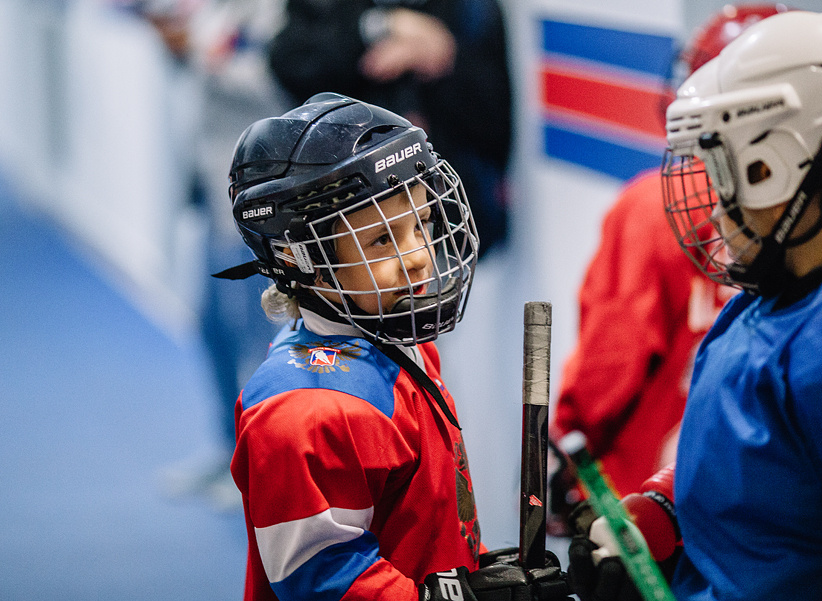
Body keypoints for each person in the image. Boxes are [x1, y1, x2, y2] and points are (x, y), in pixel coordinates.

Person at [569, 10, 822, 600]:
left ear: (779, 162)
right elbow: (766, 474)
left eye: (723, 170)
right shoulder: (769, 297)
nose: (715, 206)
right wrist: (666, 511)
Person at [215, 93, 570, 601]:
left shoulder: (392, 340)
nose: (419, 257)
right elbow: (319, 578)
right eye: (382, 240)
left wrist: (475, 572)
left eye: (421, 226)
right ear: (298, 256)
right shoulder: (305, 411)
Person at [550, 4, 784, 505]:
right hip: (766, 495)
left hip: (651, 501)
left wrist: (569, 445)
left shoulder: (654, 205)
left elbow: (610, 363)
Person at [116, 0, 292, 509]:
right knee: (210, 326)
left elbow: (281, 83)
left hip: (260, 198)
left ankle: (266, 468)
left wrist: (200, 46)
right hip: (214, 188)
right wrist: (182, 42)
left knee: (262, 339)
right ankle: (228, 449)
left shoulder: (280, 11)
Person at [265, 0, 512, 258]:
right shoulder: (333, 11)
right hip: (346, 213)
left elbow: (497, 121)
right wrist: (377, 26)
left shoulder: (472, 10)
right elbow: (290, 62)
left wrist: (444, 57)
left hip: (447, 221)